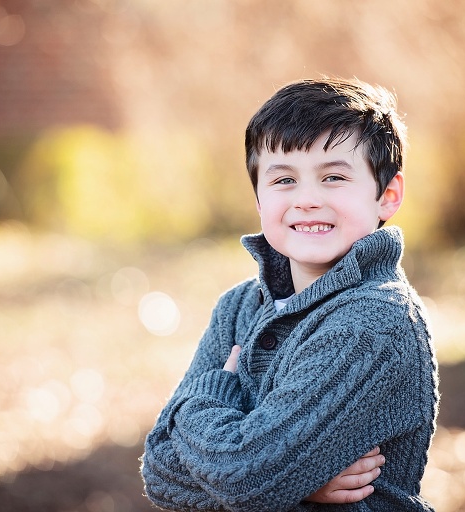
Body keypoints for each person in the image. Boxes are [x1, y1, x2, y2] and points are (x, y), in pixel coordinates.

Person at [140, 77, 439, 511]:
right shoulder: (238, 308)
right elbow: (160, 472)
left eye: (333, 176)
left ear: (387, 196)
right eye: (284, 181)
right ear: (259, 200)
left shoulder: (375, 324)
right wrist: (300, 481)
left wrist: (206, 401)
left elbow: (248, 478)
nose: (307, 200)